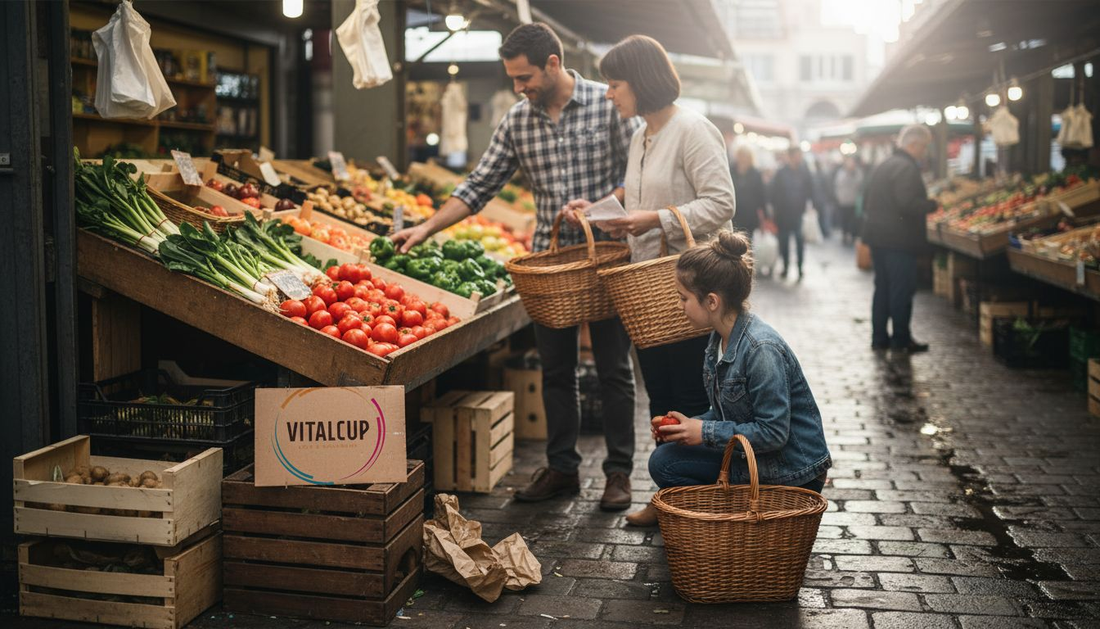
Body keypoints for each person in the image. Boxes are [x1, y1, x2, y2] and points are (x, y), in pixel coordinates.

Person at [392, 23, 640, 511]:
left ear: (553, 63)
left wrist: (600, 207)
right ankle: (562, 468)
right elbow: (480, 184)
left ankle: (619, 473)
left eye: (524, 77)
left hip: (607, 257)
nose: (518, 87)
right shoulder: (517, 120)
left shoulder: (607, 102)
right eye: (512, 79)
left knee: (613, 368)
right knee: (556, 370)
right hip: (548, 264)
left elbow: (640, 175)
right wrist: (426, 228)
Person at [563, 35, 735, 434]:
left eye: (614, 85)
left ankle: (691, 478)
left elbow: (722, 203)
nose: (608, 95)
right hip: (651, 294)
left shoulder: (693, 129)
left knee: (691, 401)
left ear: (641, 81)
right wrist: (598, 211)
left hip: (692, 289)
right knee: (660, 399)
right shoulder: (641, 136)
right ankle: (667, 475)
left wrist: (656, 220)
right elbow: (641, 198)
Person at [625, 231, 832, 526]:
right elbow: (728, 413)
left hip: (791, 472)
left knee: (667, 464)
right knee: (663, 460)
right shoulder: (717, 340)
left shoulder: (761, 349)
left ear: (711, 301)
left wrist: (704, 432)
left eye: (683, 298)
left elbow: (774, 433)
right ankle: (720, 512)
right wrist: (688, 426)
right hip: (756, 458)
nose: (679, 306)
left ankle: (727, 518)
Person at [861, 124, 937, 353]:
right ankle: (901, 339)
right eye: (923, 147)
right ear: (913, 145)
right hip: (898, 240)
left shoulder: (885, 164)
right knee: (901, 290)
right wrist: (931, 205)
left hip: (878, 237)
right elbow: (907, 203)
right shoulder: (906, 168)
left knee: (882, 288)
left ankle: (879, 338)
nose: (924, 152)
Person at [768, 147, 815, 279]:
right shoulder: (781, 172)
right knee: (784, 241)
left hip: (798, 212)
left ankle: (800, 267)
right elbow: (774, 192)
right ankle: (786, 266)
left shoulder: (804, 171)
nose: (798, 159)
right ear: (790, 157)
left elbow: (810, 189)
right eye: (796, 156)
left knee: (799, 240)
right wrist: (774, 210)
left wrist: (811, 205)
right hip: (783, 213)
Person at [730, 146, 766, 238]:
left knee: (748, 240)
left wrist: (764, 217)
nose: (743, 159)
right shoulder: (730, 171)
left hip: (750, 216)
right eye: (741, 156)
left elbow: (761, 196)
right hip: (734, 215)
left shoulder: (756, 174)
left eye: (746, 156)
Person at [834, 156, 864, 245]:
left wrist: (852, 173)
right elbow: (839, 184)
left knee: (853, 220)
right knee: (844, 219)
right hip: (843, 201)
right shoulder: (841, 172)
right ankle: (845, 235)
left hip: (853, 201)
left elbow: (859, 183)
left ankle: (853, 235)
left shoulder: (857, 172)